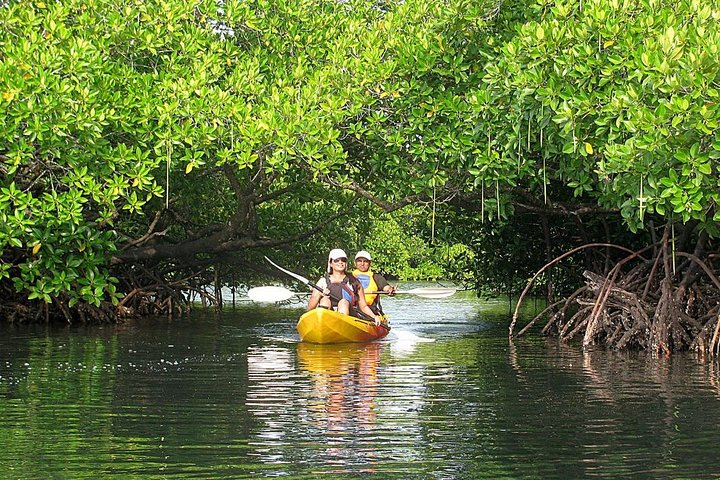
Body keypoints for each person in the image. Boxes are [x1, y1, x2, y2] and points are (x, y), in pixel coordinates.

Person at [307, 248, 382, 325]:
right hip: (328, 317)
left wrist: (374, 317)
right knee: (325, 300)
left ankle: (341, 325)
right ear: (330, 263)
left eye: (343, 260)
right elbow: (310, 308)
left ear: (346, 263)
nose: (340, 262)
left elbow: (363, 306)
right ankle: (322, 324)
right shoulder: (322, 282)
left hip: (349, 315)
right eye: (336, 260)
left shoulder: (354, 281)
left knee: (343, 302)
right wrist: (320, 294)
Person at [352, 250, 396, 315]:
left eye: (365, 261)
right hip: (353, 308)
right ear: (355, 263)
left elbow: (386, 287)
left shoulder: (376, 277)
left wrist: (390, 290)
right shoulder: (349, 276)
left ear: (370, 263)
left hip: (370, 309)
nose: (362, 264)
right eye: (359, 261)